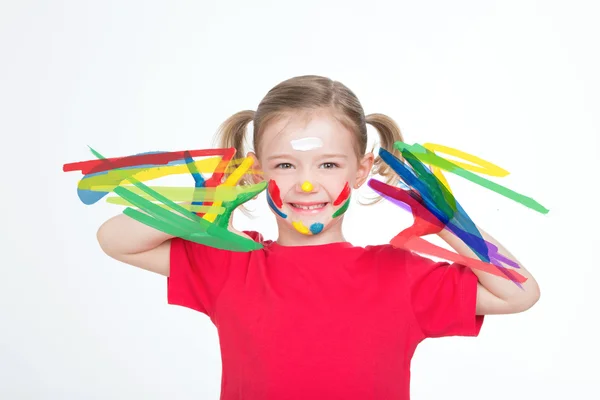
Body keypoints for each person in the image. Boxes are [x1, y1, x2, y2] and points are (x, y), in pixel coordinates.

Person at [96, 75, 541, 399]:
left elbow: (518, 293)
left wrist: (448, 221)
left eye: (328, 164)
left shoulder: (398, 274)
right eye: (285, 165)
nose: (306, 185)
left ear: (361, 170)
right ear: (257, 171)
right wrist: (208, 198)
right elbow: (116, 239)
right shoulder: (232, 263)